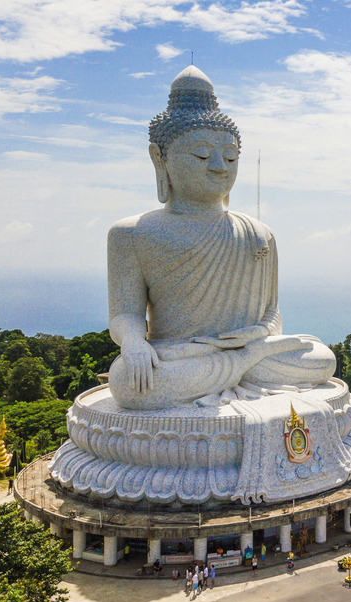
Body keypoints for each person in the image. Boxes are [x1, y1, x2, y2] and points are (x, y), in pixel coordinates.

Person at [105, 66, 335, 411]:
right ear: (159, 158)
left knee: (322, 358)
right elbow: (125, 313)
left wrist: (256, 336)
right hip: (181, 354)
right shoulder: (132, 233)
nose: (219, 166)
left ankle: (237, 367)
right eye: (201, 154)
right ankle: (238, 369)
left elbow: (272, 314)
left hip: (245, 352)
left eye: (230, 156)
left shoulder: (259, 233)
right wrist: (134, 343)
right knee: (127, 379)